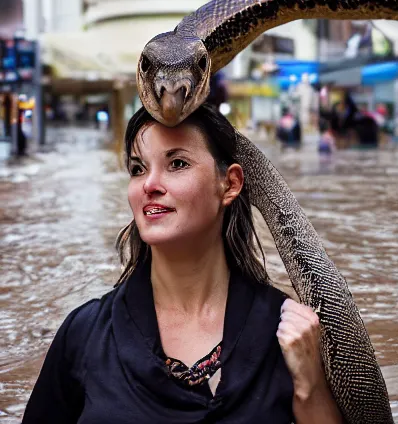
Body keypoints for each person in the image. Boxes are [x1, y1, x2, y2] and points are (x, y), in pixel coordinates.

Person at [22, 104, 342, 423]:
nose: (149, 184)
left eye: (176, 163)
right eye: (138, 169)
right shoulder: (86, 335)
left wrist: (309, 387)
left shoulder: (290, 333)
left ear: (229, 184)